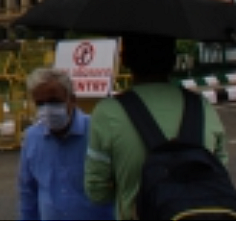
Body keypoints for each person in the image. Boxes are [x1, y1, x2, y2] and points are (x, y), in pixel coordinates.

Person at [85, 33, 228, 220]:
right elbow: (220, 170)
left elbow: (97, 191)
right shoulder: (202, 106)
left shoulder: (107, 112)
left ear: (124, 59)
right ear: (173, 60)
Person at [18, 68, 115, 221]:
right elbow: (28, 192)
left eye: (54, 101)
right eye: (40, 103)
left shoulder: (98, 132)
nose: (47, 109)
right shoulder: (32, 138)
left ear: (72, 100)